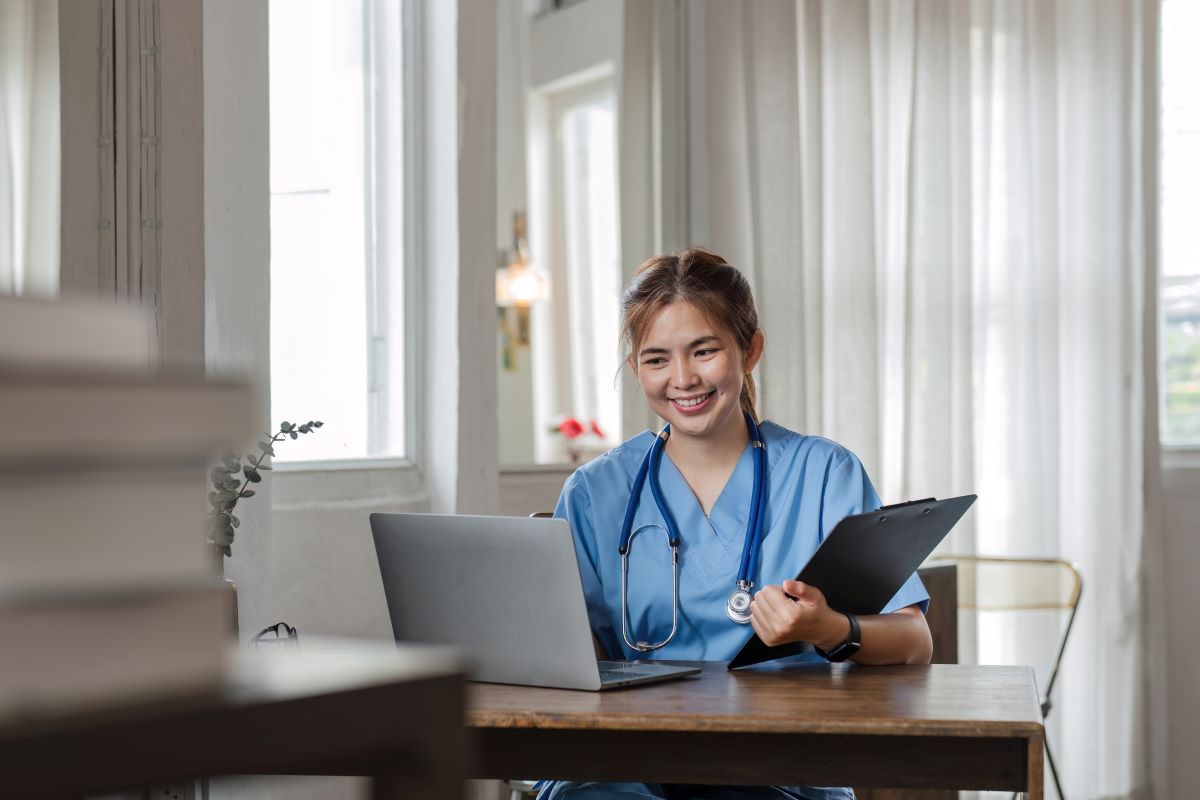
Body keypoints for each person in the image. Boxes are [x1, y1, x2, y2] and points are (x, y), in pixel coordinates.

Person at [539, 248, 932, 800]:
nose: (682, 379)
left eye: (704, 351)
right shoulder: (594, 492)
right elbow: (563, 655)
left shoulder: (822, 473)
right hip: (630, 762)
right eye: (656, 360)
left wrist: (829, 629)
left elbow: (915, 640)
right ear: (636, 369)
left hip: (777, 765)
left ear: (750, 350)